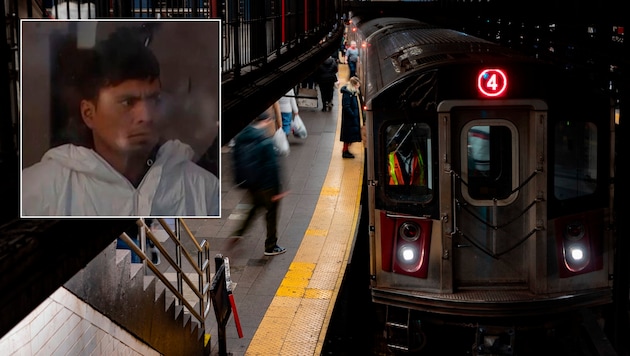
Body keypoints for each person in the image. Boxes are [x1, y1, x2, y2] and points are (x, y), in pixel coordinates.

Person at [21, 27, 220, 217]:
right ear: (89, 113)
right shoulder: (40, 192)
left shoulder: (204, 189)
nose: (147, 116)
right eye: (127, 102)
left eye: (154, 100)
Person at [232, 109, 289, 256]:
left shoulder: (241, 137)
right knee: (271, 213)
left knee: (253, 209)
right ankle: (271, 246)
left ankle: (238, 233)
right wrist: (278, 190)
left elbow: (235, 161)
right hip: (267, 185)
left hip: (251, 182)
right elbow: (272, 166)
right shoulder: (265, 141)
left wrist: (241, 180)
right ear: (267, 121)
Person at [339, 76, 363, 159]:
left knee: (349, 136)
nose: (358, 87)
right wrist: (352, 114)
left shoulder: (351, 93)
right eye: (357, 85)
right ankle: (345, 151)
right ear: (354, 85)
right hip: (349, 119)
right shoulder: (348, 94)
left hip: (351, 119)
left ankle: (346, 150)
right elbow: (346, 106)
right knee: (347, 136)